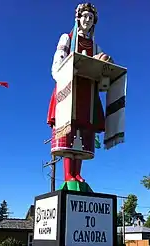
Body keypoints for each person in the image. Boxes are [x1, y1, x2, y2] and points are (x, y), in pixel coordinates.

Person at [47, 3, 112, 183]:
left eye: (91, 18)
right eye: (85, 16)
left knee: (82, 133)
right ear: (78, 18)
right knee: (69, 129)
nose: (88, 20)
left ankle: (77, 173)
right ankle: (68, 175)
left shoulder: (95, 46)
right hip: (70, 89)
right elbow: (58, 63)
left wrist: (104, 63)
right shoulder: (66, 38)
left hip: (87, 93)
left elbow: (99, 68)